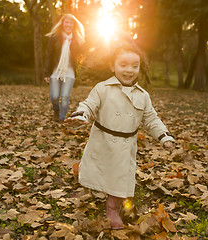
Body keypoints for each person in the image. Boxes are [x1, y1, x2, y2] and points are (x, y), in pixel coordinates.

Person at [65, 34, 174, 229]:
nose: (129, 70)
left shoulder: (143, 95)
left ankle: (112, 209)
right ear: (112, 66)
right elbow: (89, 105)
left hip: (125, 146)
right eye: (123, 64)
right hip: (103, 140)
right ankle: (95, 193)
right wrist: (81, 116)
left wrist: (163, 135)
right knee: (100, 172)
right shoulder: (102, 89)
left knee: (119, 179)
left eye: (135, 66)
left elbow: (151, 118)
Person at [44, 13, 85, 122]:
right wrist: (47, 73)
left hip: (70, 72)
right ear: (62, 23)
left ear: (73, 25)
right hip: (56, 71)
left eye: (71, 23)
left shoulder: (77, 39)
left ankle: (61, 118)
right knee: (54, 96)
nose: (68, 24)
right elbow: (49, 54)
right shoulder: (55, 37)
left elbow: (80, 56)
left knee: (65, 97)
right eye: (66, 22)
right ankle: (56, 110)